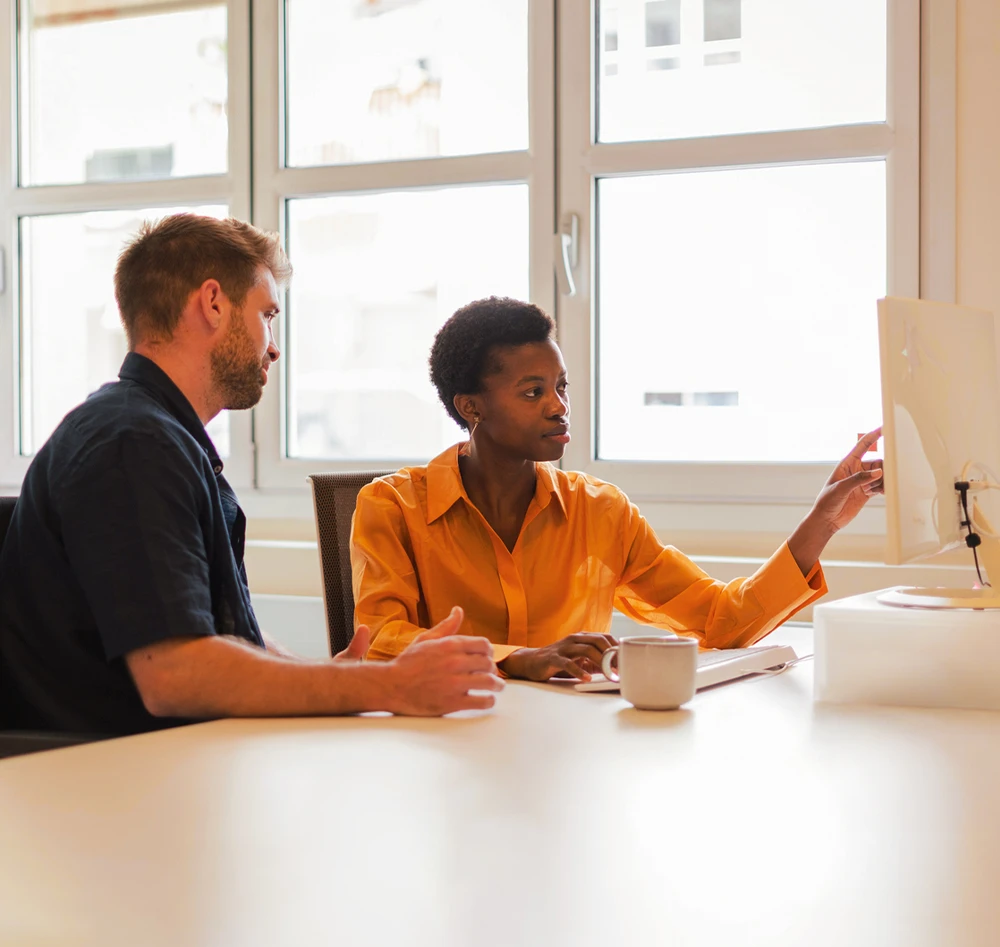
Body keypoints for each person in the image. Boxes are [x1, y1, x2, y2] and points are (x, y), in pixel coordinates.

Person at [0, 214, 501, 734]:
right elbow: (177, 675)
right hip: (104, 781)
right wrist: (389, 685)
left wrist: (323, 680)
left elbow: (219, 641)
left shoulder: (159, 436)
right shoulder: (132, 445)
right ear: (213, 303)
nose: (274, 346)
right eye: (267, 315)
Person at [351, 296, 884, 682]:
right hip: (445, 745)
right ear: (472, 407)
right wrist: (512, 657)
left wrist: (824, 522)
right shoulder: (392, 506)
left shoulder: (600, 511)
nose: (559, 406)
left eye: (560, 387)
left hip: (575, 750)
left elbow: (723, 622)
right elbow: (379, 639)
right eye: (532, 391)